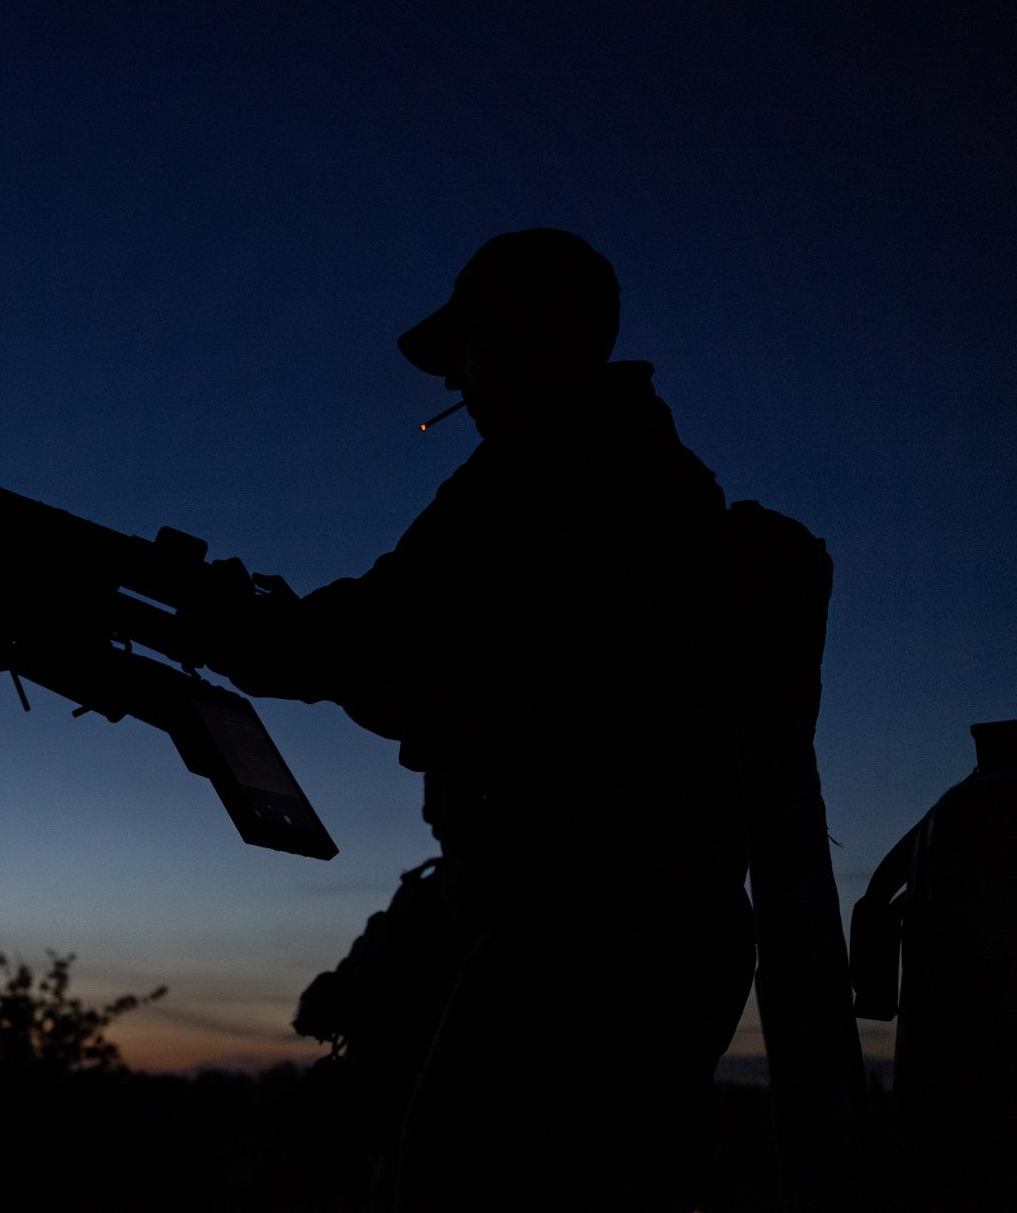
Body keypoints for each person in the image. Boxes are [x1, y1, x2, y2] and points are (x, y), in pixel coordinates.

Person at [190, 229, 757, 1209]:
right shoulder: (634, 464)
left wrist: (239, 628)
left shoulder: (557, 469)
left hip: (587, 927)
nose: (457, 379)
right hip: (631, 917)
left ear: (526, 338)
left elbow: (385, 640)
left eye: (468, 350)